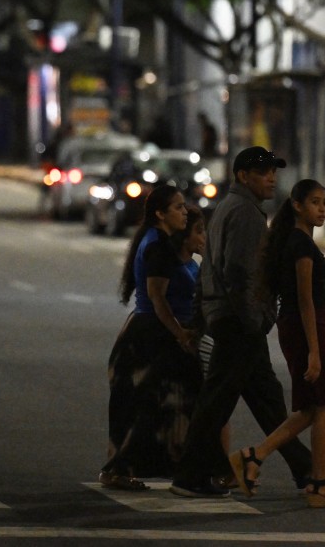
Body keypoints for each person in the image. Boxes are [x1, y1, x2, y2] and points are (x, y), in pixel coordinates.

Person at [170, 147, 325, 499]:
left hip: (233, 317)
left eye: (273, 171)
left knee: (266, 397)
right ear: (242, 176)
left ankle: (304, 468)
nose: (271, 177)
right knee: (216, 400)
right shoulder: (245, 213)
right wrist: (255, 319)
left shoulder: (229, 208)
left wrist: (201, 316)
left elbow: (210, 268)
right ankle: (189, 475)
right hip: (239, 320)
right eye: (262, 171)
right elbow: (238, 273)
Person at [227, 179, 325, 508]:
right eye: (315, 202)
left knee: (312, 408)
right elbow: (305, 299)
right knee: (324, 404)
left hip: (299, 326)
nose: (321, 209)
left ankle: (253, 456)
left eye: (324, 202)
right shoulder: (300, 245)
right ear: (297, 205)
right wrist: (314, 351)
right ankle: (319, 483)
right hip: (303, 326)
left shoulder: (296, 241)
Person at [100, 188, 202, 490]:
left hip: (155, 333)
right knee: (145, 405)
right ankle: (118, 469)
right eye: (178, 207)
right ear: (161, 214)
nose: (184, 212)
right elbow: (158, 299)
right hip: (148, 338)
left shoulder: (162, 243)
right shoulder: (157, 247)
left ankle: (176, 465)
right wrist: (180, 334)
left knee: (168, 404)